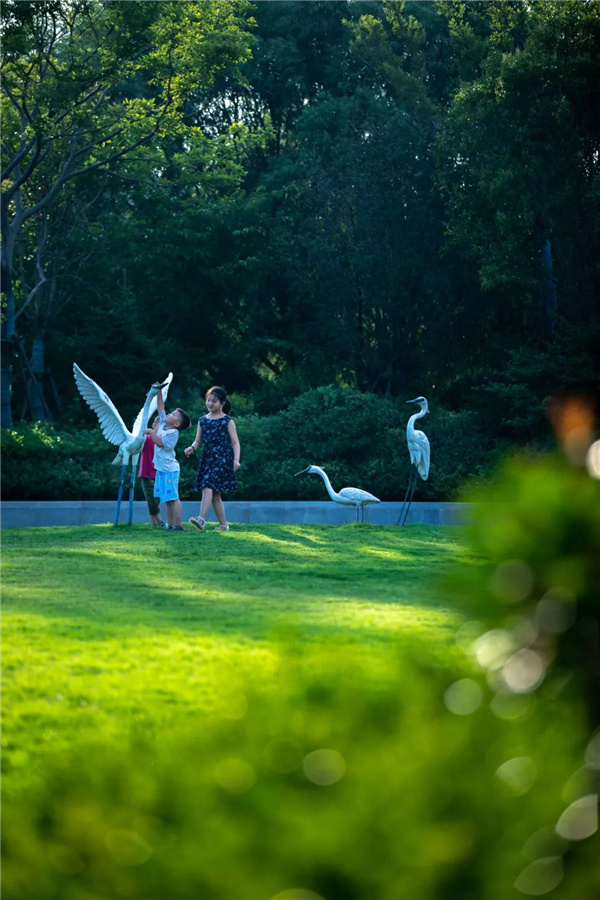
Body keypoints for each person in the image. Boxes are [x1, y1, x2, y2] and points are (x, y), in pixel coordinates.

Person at [184, 385, 240, 532]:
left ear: (222, 404)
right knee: (215, 494)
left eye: (214, 401)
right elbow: (198, 441)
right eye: (208, 400)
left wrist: (236, 460)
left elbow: (235, 442)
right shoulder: (202, 420)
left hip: (222, 458)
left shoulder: (228, 421)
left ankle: (201, 519)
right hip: (207, 458)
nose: (210, 403)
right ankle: (224, 525)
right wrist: (192, 448)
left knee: (207, 485)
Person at [143, 386, 191, 531]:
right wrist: (158, 391)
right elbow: (160, 406)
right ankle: (171, 525)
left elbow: (159, 443)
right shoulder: (164, 424)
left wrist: (151, 431)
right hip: (162, 469)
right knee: (166, 499)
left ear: (176, 424)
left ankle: (178, 524)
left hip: (170, 470)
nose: (169, 414)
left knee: (173, 497)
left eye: (173, 415)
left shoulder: (172, 433)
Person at [138, 417, 165, 527]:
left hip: (158, 474)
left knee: (156, 499)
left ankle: (153, 523)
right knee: (151, 499)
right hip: (146, 474)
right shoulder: (146, 439)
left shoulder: (162, 441)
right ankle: (160, 521)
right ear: (154, 425)